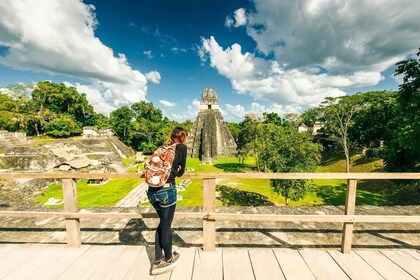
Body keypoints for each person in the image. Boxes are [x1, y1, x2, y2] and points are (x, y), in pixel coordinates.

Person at [146, 127, 187, 275]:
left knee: (162, 223)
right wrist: (177, 170)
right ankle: (168, 259)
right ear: (182, 137)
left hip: (152, 191)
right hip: (167, 189)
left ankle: (157, 259)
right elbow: (181, 171)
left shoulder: (163, 148)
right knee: (166, 224)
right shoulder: (181, 147)